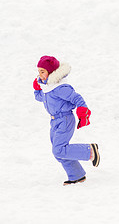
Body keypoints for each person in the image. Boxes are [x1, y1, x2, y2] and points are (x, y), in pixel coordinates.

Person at [33, 56, 100, 186]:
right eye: (39, 71)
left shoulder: (60, 88)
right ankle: (77, 175)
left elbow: (77, 98)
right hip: (54, 122)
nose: (40, 75)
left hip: (65, 119)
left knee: (59, 149)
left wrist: (82, 110)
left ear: (51, 72)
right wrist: (37, 88)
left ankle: (90, 151)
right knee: (58, 152)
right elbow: (40, 97)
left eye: (43, 71)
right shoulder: (47, 88)